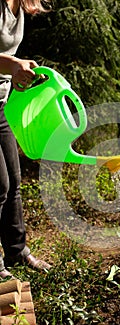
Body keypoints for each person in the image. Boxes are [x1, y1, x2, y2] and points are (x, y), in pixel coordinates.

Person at [0, 0, 52, 279]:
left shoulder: (20, 5)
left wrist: (20, 70)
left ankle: (17, 252)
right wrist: (12, 64)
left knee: (13, 180)